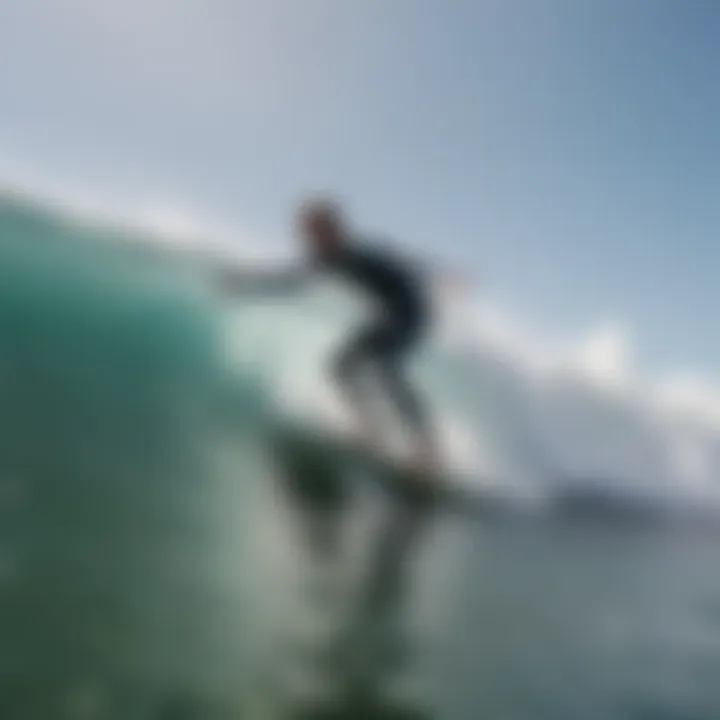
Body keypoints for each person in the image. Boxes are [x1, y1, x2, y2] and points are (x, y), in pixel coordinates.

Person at [218, 198, 439, 473]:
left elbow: (406, 263)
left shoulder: (358, 253)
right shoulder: (324, 260)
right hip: (389, 316)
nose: (311, 239)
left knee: (385, 366)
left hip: (412, 312)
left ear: (334, 230)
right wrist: (244, 284)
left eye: (316, 231)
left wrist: (437, 276)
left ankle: (426, 448)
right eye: (308, 233)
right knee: (339, 367)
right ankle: (370, 431)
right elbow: (286, 283)